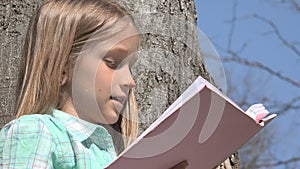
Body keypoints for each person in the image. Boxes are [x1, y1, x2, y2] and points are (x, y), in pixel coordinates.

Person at [0, 0, 188, 168]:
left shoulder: (109, 152)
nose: (130, 81)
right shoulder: (35, 133)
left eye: (131, 67)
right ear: (61, 67)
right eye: (112, 62)